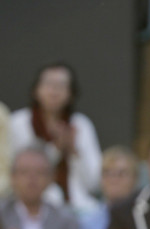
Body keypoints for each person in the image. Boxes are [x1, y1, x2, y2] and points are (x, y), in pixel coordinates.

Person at [8, 62, 102, 213]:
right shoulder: (18, 123)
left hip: (79, 206)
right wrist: (56, 149)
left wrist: (73, 150)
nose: (54, 90)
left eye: (61, 85)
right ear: (35, 90)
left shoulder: (81, 125)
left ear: (71, 93)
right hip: (29, 206)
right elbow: (17, 174)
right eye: (48, 84)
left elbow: (95, 182)